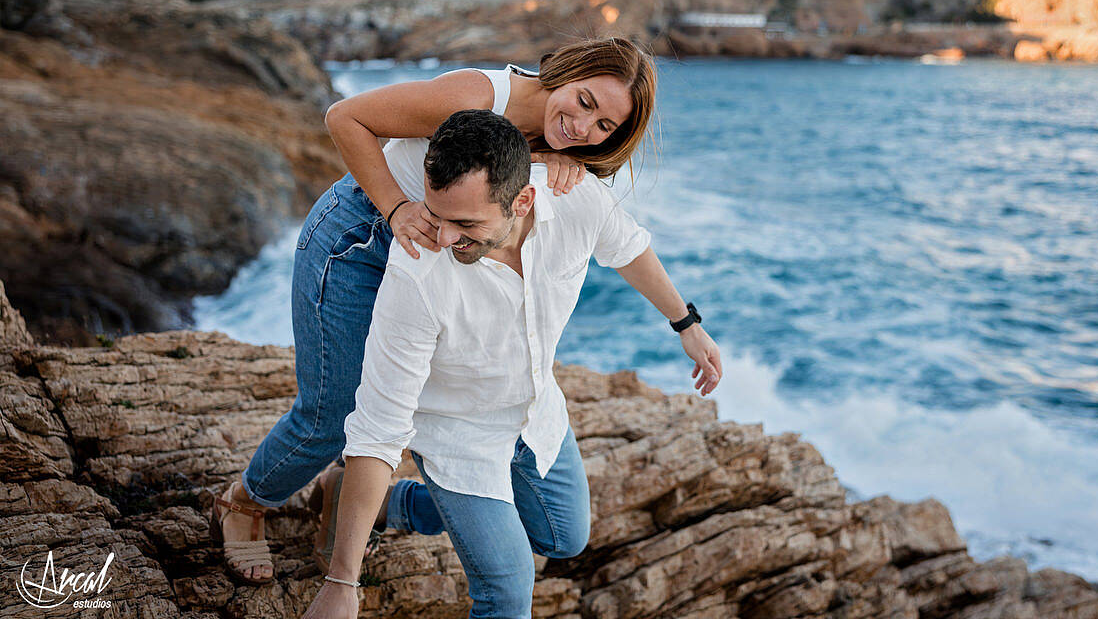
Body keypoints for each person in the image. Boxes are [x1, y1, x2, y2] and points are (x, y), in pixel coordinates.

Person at [209, 37, 684, 583]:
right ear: (567, 71)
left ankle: (362, 497)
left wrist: (685, 323)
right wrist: (396, 208)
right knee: (334, 415)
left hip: (430, 251)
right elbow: (345, 117)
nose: (583, 127)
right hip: (359, 242)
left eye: (604, 125)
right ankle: (244, 501)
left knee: (430, 404)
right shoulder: (477, 95)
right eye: (583, 101)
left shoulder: (557, 145)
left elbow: (607, 234)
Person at [299, 110, 721, 619]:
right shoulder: (416, 271)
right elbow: (377, 430)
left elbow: (628, 248)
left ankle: (394, 505)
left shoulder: (577, 201)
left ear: (523, 201)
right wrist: (342, 581)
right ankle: (397, 504)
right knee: (508, 592)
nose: (444, 237)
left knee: (564, 538)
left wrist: (686, 324)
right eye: (436, 214)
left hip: (537, 413)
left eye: (466, 224)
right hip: (459, 435)